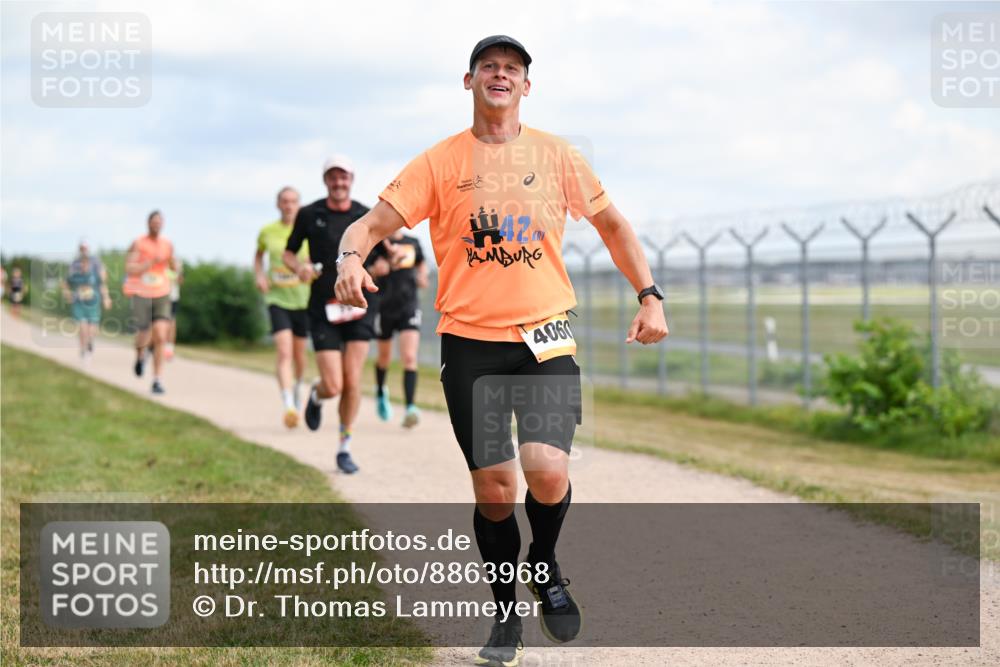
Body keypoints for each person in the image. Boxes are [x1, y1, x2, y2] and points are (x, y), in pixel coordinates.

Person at [335, 35, 669, 666]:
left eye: (512, 69)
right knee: (494, 490)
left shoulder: (557, 155)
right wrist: (348, 258)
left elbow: (614, 226)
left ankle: (544, 563)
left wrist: (649, 294)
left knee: (546, 471)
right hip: (469, 344)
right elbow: (369, 225)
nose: (500, 75)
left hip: (544, 336)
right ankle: (505, 611)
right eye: (489, 66)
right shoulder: (438, 163)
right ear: (469, 82)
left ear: (526, 86)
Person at [283, 156, 390, 473]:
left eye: (343, 177)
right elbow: (289, 253)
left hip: (359, 306)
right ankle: (317, 394)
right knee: (334, 384)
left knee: (353, 380)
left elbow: (383, 259)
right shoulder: (309, 214)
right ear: (325, 180)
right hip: (323, 308)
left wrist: (380, 268)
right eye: (333, 177)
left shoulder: (364, 215)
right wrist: (299, 267)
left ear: (352, 179)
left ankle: (344, 446)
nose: (338, 183)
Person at [256, 186, 310, 428]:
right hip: (277, 299)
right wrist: (259, 275)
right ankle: (288, 404)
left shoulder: (306, 231)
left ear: (299, 204)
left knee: (299, 356)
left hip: (304, 300)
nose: (289, 205)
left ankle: (298, 388)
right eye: (284, 201)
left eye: (293, 201)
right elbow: (258, 256)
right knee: (284, 352)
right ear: (278, 204)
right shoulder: (267, 231)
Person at [373, 230, 428, 427]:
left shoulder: (412, 242)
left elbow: (421, 262)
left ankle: (410, 408)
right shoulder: (377, 242)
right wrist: (374, 270)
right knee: (384, 358)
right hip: (384, 307)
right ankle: (380, 392)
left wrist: (422, 276)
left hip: (408, 306)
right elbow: (367, 269)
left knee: (409, 357)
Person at [123, 210, 178, 395]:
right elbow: (128, 267)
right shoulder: (138, 243)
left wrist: (176, 269)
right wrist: (146, 264)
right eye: (154, 222)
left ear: (163, 224)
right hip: (142, 292)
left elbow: (173, 265)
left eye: (159, 222)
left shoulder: (167, 244)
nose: (156, 225)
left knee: (161, 335)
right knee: (143, 333)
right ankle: (140, 356)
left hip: (162, 292)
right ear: (148, 223)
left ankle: (157, 380)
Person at [62, 239, 112, 361]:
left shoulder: (95, 264)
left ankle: (90, 341)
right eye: (81, 248)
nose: (83, 251)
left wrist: (106, 298)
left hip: (93, 303)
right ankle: (83, 349)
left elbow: (103, 282)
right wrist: (67, 293)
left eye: (85, 248)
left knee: (92, 328)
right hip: (79, 303)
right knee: (82, 327)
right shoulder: (74, 266)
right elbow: (65, 282)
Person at [163, 262, 182, 361]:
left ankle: (169, 350)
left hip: (172, 298)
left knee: (171, 323)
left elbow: (180, 281)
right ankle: (153, 347)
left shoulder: (176, 262)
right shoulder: (159, 261)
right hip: (159, 297)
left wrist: (177, 270)